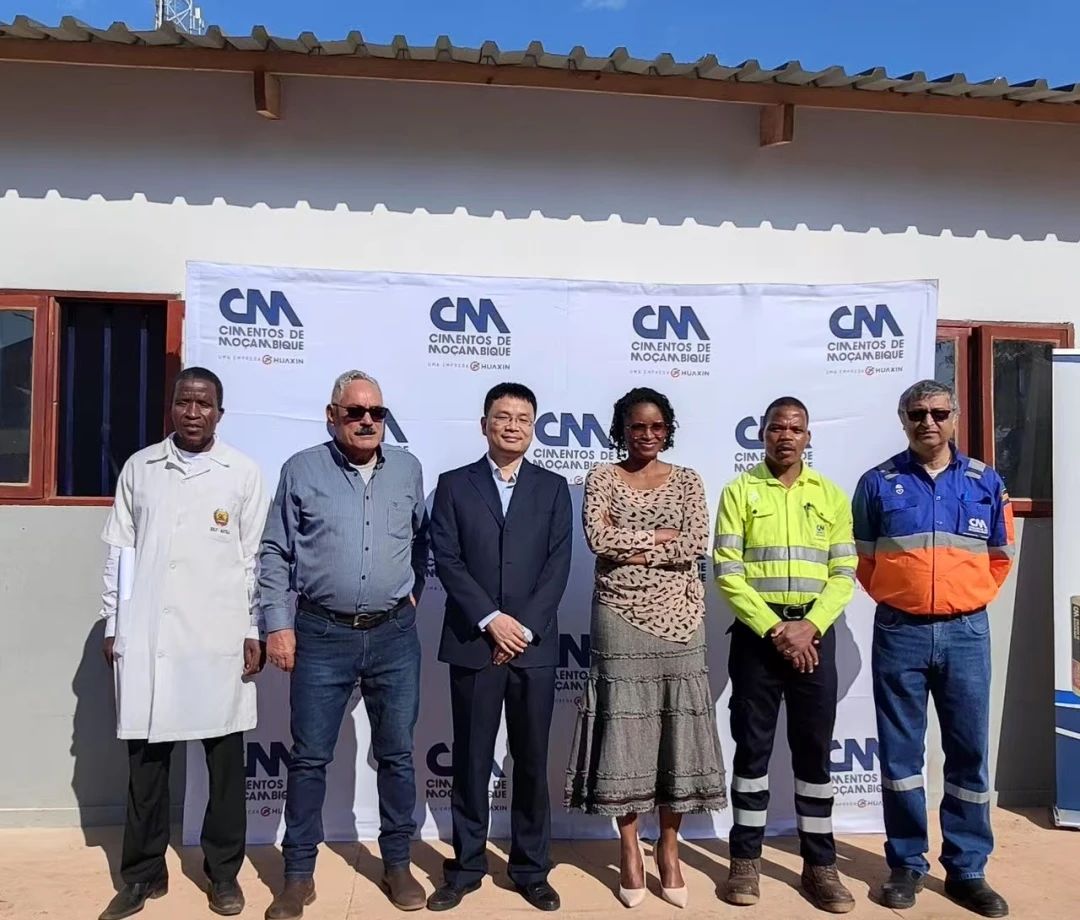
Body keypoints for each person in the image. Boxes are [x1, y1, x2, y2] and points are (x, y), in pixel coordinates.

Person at [96, 367, 267, 920]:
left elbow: (254, 561)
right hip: (149, 637)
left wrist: (253, 628)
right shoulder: (141, 468)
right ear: (171, 407)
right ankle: (143, 874)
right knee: (146, 768)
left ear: (220, 412)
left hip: (219, 640)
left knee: (225, 770)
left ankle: (224, 875)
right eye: (184, 402)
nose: (194, 413)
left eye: (204, 404)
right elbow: (120, 552)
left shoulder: (242, 473)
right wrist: (113, 622)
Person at [259, 370, 429, 919]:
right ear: (332, 416)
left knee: (397, 755)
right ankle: (297, 876)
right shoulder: (301, 469)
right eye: (355, 412)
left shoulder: (407, 469)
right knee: (309, 758)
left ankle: (397, 863)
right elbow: (275, 551)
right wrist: (277, 624)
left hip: (393, 635)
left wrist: (412, 595)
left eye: (377, 412)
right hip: (320, 634)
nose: (367, 421)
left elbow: (421, 541)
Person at [853, 379, 1014, 918]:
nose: (928, 422)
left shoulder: (985, 481)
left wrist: (961, 600)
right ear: (903, 419)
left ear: (955, 416)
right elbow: (865, 562)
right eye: (917, 413)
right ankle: (906, 863)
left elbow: (999, 557)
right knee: (901, 756)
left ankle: (968, 869)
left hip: (967, 633)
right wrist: (907, 600)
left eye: (939, 412)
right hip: (900, 632)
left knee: (969, 752)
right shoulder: (877, 483)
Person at [565, 387, 726, 910]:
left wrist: (633, 542)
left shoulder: (688, 479)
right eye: (638, 426)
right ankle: (630, 847)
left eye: (657, 427)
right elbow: (598, 539)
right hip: (617, 617)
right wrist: (659, 537)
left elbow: (695, 544)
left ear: (668, 430)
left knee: (675, 732)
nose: (648, 435)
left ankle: (670, 849)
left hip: (681, 620)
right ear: (622, 429)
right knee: (625, 733)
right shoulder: (601, 477)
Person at [426, 382, 573, 913]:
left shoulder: (553, 488)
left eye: (523, 418)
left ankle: (532, 869)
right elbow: (447, 559)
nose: (513, 426)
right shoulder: (453, 485)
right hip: (474, 642)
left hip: (533, 647)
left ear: (533, 427)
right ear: (484, 423)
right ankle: (466, 867)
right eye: (503, 416)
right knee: (470, 758)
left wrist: (522, 628)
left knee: (531, 760)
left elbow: (558, 565)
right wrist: (492, 621)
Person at [713, 396, 858, 913]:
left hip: (815, 635)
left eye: (795, 429)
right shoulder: (740, 491)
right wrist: (776, 629)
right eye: (777, 428)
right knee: (751, 753)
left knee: (813, 753)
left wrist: (809, 626)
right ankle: (744, 862)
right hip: (760, 636)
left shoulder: (831, 495)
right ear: (763, 435)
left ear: (808, 437)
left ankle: (820, 866)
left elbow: (844, 572)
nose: (786, 436)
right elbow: (727, 570)